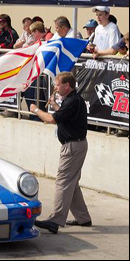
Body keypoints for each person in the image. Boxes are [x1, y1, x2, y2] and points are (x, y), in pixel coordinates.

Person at [31, 72, 92, 234]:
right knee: (72, 183)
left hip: (73, 146)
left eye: (57, 85)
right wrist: (55, 106)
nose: (55, 88)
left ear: (67, 85)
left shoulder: (73, 101)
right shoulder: (72, 100)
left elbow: (52, 119)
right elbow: (64, 115)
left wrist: (36, 109)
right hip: (75, 145)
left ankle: (55, 220)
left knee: (63, 181)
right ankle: (83, 218)